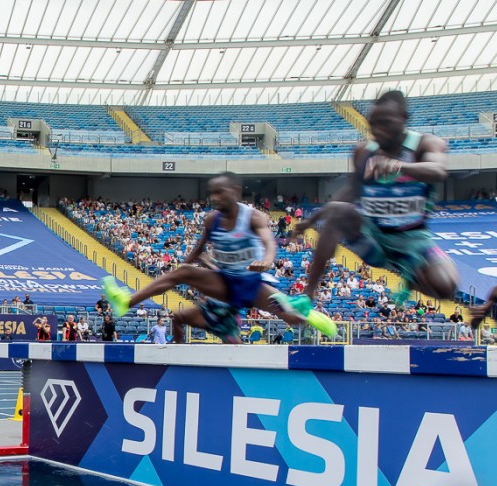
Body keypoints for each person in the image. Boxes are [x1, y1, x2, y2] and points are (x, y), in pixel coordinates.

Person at [276, 91, 457, 318]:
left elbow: (438, 170)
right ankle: (307, 297)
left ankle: (410, 278)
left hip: (413, 239)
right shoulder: (364, 152)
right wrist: (310, 221)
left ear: (403, 118)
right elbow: (352, 190)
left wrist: (399, 166)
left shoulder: (425, 144)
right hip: (374, 236)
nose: (376, 131)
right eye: (372, 124)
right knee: (338, 213)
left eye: (385, 123)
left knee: (446, 287)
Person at [102, 172, 333, 344]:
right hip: (224, 282)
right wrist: (184, 266)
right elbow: (199, 248)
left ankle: (312, 317)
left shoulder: (254, 217)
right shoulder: (212, 220)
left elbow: (269, 242)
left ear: (235, 191)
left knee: (291, 314)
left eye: (220, 192)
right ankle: (126, 302)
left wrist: (268, 260)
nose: (215, 197)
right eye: (212, 193)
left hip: (251, 282)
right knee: (183, 275)